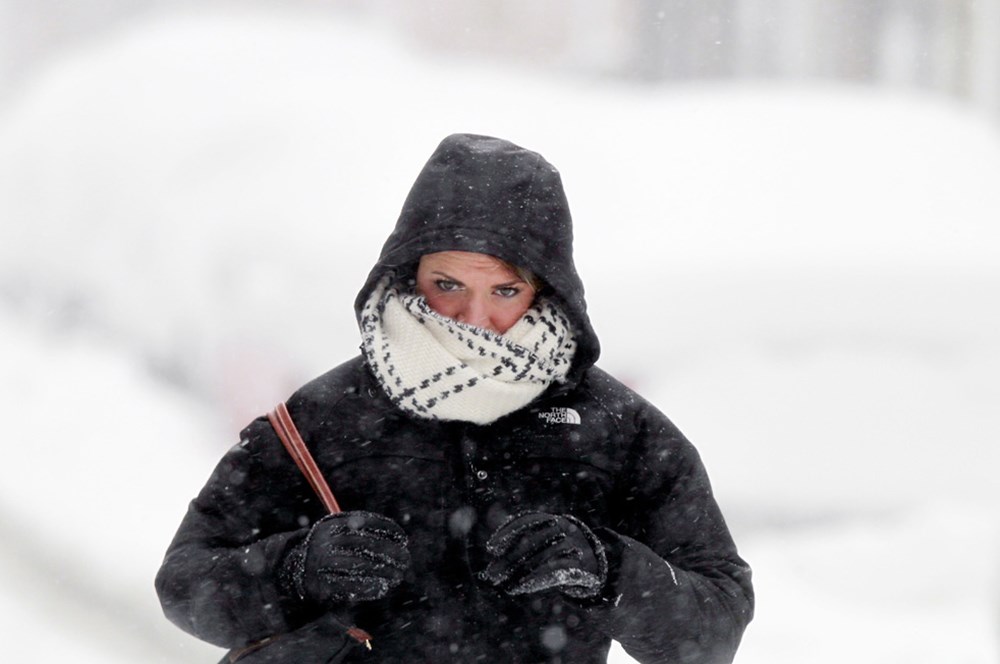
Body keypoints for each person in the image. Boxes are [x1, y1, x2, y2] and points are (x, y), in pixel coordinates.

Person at [155, 134, 754, 664]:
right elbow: (186, 582)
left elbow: (716, 624)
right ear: (407, 273)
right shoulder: (322, 418)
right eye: (448, 285)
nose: (477, 319)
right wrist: (293, 569)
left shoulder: (617, 429)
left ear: (548, 290)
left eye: (505, 289)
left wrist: (609, 570)